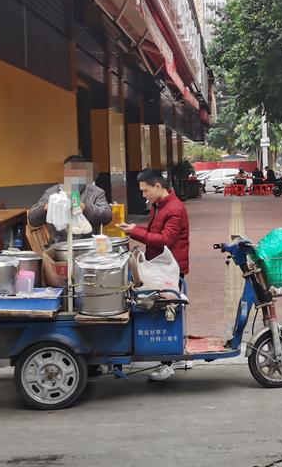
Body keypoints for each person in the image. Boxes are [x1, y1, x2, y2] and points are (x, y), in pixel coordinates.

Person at [117, 169, 190, 381]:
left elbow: (165, 239)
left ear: (158, 187)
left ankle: (168, 363)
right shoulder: (160, 206)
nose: (143, 195)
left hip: (170, 269)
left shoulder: (174, 209)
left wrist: (134, 232)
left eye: (145, 190)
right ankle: (178, 353)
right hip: (162, 267)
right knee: (168, 310)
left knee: (167, 313)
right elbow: (156, 232)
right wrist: (135, 228)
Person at [28, 155, 112, 243]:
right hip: (58, 245)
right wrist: (46, 207)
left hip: (88, 244)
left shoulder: (95, 192)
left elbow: (107, 216)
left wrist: (85, 208)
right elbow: (32, 219)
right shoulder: (51, 193)